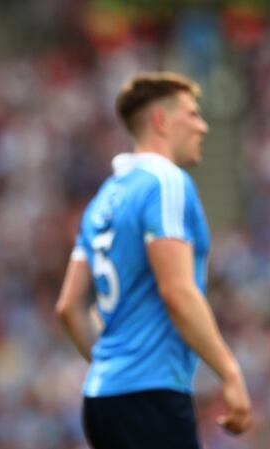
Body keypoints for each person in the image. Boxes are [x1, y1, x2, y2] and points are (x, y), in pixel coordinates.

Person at [54, 72, 253, 448]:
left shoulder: (104, 199)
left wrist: (114, 366)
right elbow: (177, 291)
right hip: (151, 397)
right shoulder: (166, 181)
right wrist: (230, 371)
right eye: (192, 114)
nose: (204, 126)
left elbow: (69, 307)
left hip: (101, 399)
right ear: (161, 121)